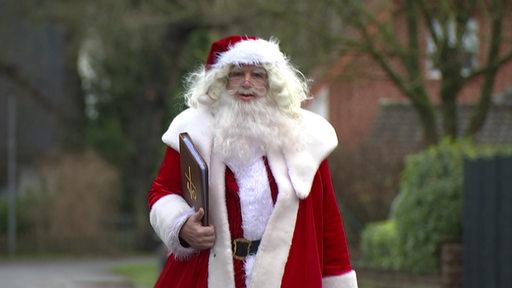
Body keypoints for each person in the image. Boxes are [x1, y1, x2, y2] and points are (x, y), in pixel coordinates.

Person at [147, 35, 358, 288]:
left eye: (258, 74)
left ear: (272, 83)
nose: (247, 82)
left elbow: (329, 228)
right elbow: (162, 192)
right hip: (206, 274)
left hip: (287, 275)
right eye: (237, 73)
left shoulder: (306, 138)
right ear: (222, 81)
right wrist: (180, 226)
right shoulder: (192, 130)